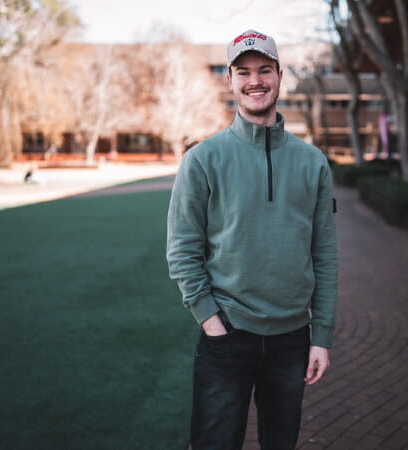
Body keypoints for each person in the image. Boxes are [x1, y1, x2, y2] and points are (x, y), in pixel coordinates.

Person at [166, 29, 338, 450]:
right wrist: (209, 318)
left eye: (264, 70)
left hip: (292, 337)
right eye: (243, 71)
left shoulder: (312, 162)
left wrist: (322, 337)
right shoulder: (202, 160)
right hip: (227, 334)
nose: (254, 80)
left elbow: (325, 255)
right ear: (230, 80)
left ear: (280, 75)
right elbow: (183, 248)